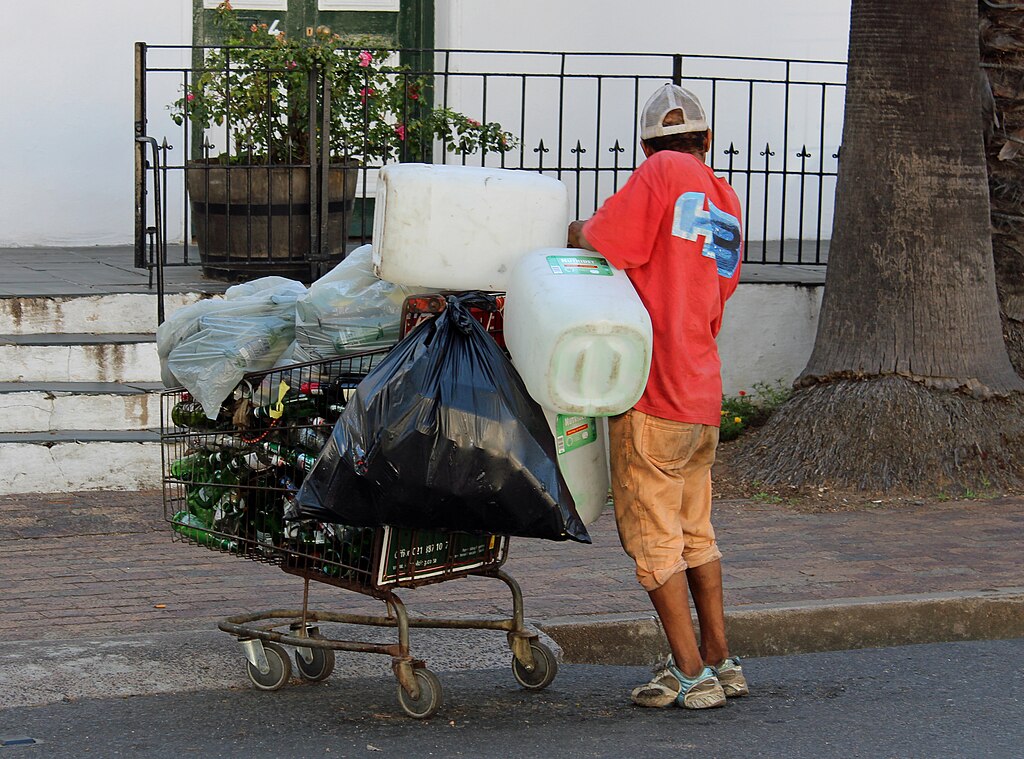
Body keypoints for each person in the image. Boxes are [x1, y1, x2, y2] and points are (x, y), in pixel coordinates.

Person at [567, 83, 747, 710]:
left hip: (654, 391)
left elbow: (606, 239)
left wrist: (574, 228)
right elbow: (717, 293)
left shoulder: (660, 172)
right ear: (708, 140)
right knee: (696, 531)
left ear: (647, 146)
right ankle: (720, 660)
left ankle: (691, 674)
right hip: (702, 391)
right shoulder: (724, 199)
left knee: (652, 540)